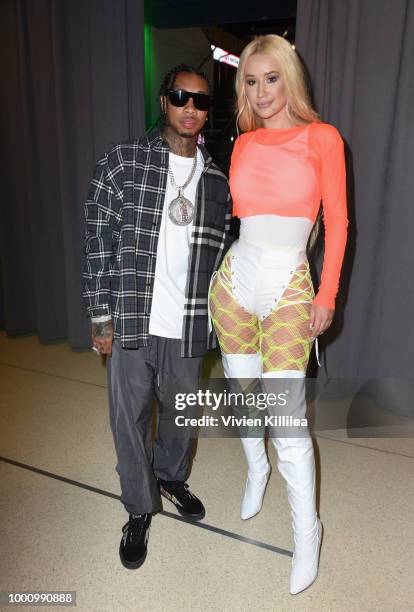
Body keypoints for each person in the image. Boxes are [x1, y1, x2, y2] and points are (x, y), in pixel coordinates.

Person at [209, 35, 348, 594]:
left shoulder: (323, 138)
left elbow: (336, 223)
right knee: (244, 398)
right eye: (250, 80)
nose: (262, 92)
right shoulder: (242, 143)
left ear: (289, 77)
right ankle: (254, 471)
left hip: (290, 288)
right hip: (234, 285)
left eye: (271, 78)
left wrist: (327, 295)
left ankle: (307, 531)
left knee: (288, 424)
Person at [83, 64, 231, 570]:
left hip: (188, 323)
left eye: (202, 100)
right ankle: (139, 506)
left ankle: (170, 477)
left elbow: (225, 256)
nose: (191, 107)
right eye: (181, 96)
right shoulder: (123, 162)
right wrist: (101, 316)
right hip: (132, 318)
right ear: (164, 102)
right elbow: (97, 243)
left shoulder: (216, 181)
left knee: (181, 418)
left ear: (208, 111)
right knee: (128, 420)